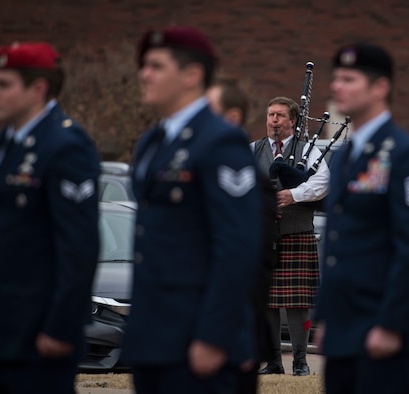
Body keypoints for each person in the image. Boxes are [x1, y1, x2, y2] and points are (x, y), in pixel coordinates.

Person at [120, 26, 262, 394]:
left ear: (192, 75)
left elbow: (237, 247)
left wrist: (215, 336)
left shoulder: (219, 140)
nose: (144, 74)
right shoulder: (153, 141)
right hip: (154, 338)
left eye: (155, 65)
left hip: (197, 339)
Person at [0, 42, 101, 393]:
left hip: (38, 333)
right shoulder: (0, 147)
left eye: (3, 84)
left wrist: (60, 326)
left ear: (38, 88)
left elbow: (78, 247)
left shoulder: (65, 145)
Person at [313, 43, 409, 394]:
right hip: (344, 328)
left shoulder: (405, 157)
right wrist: (325, 317)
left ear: (380, 87)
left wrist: (391, 324)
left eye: (349, 79)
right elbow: (338, 242)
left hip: (384, 331)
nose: (337, 86)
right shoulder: (349, 154)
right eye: (336, 78)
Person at [207, 77, 277, 394]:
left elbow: (254, 263)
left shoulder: (245, 174)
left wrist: (242, 336)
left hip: (232, 333)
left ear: (232, 117)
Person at [252, 96, 329, 376]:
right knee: (268, 302)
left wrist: (292, 195)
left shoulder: (307, 149)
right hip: (265, 237)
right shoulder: (254, 150)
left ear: (293, 121)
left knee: (298, 305)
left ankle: (300, 361)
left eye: (280, 115)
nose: (274, 120)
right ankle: (273, 362)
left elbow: (323, 182)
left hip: (297, 233)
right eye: (270, 114)